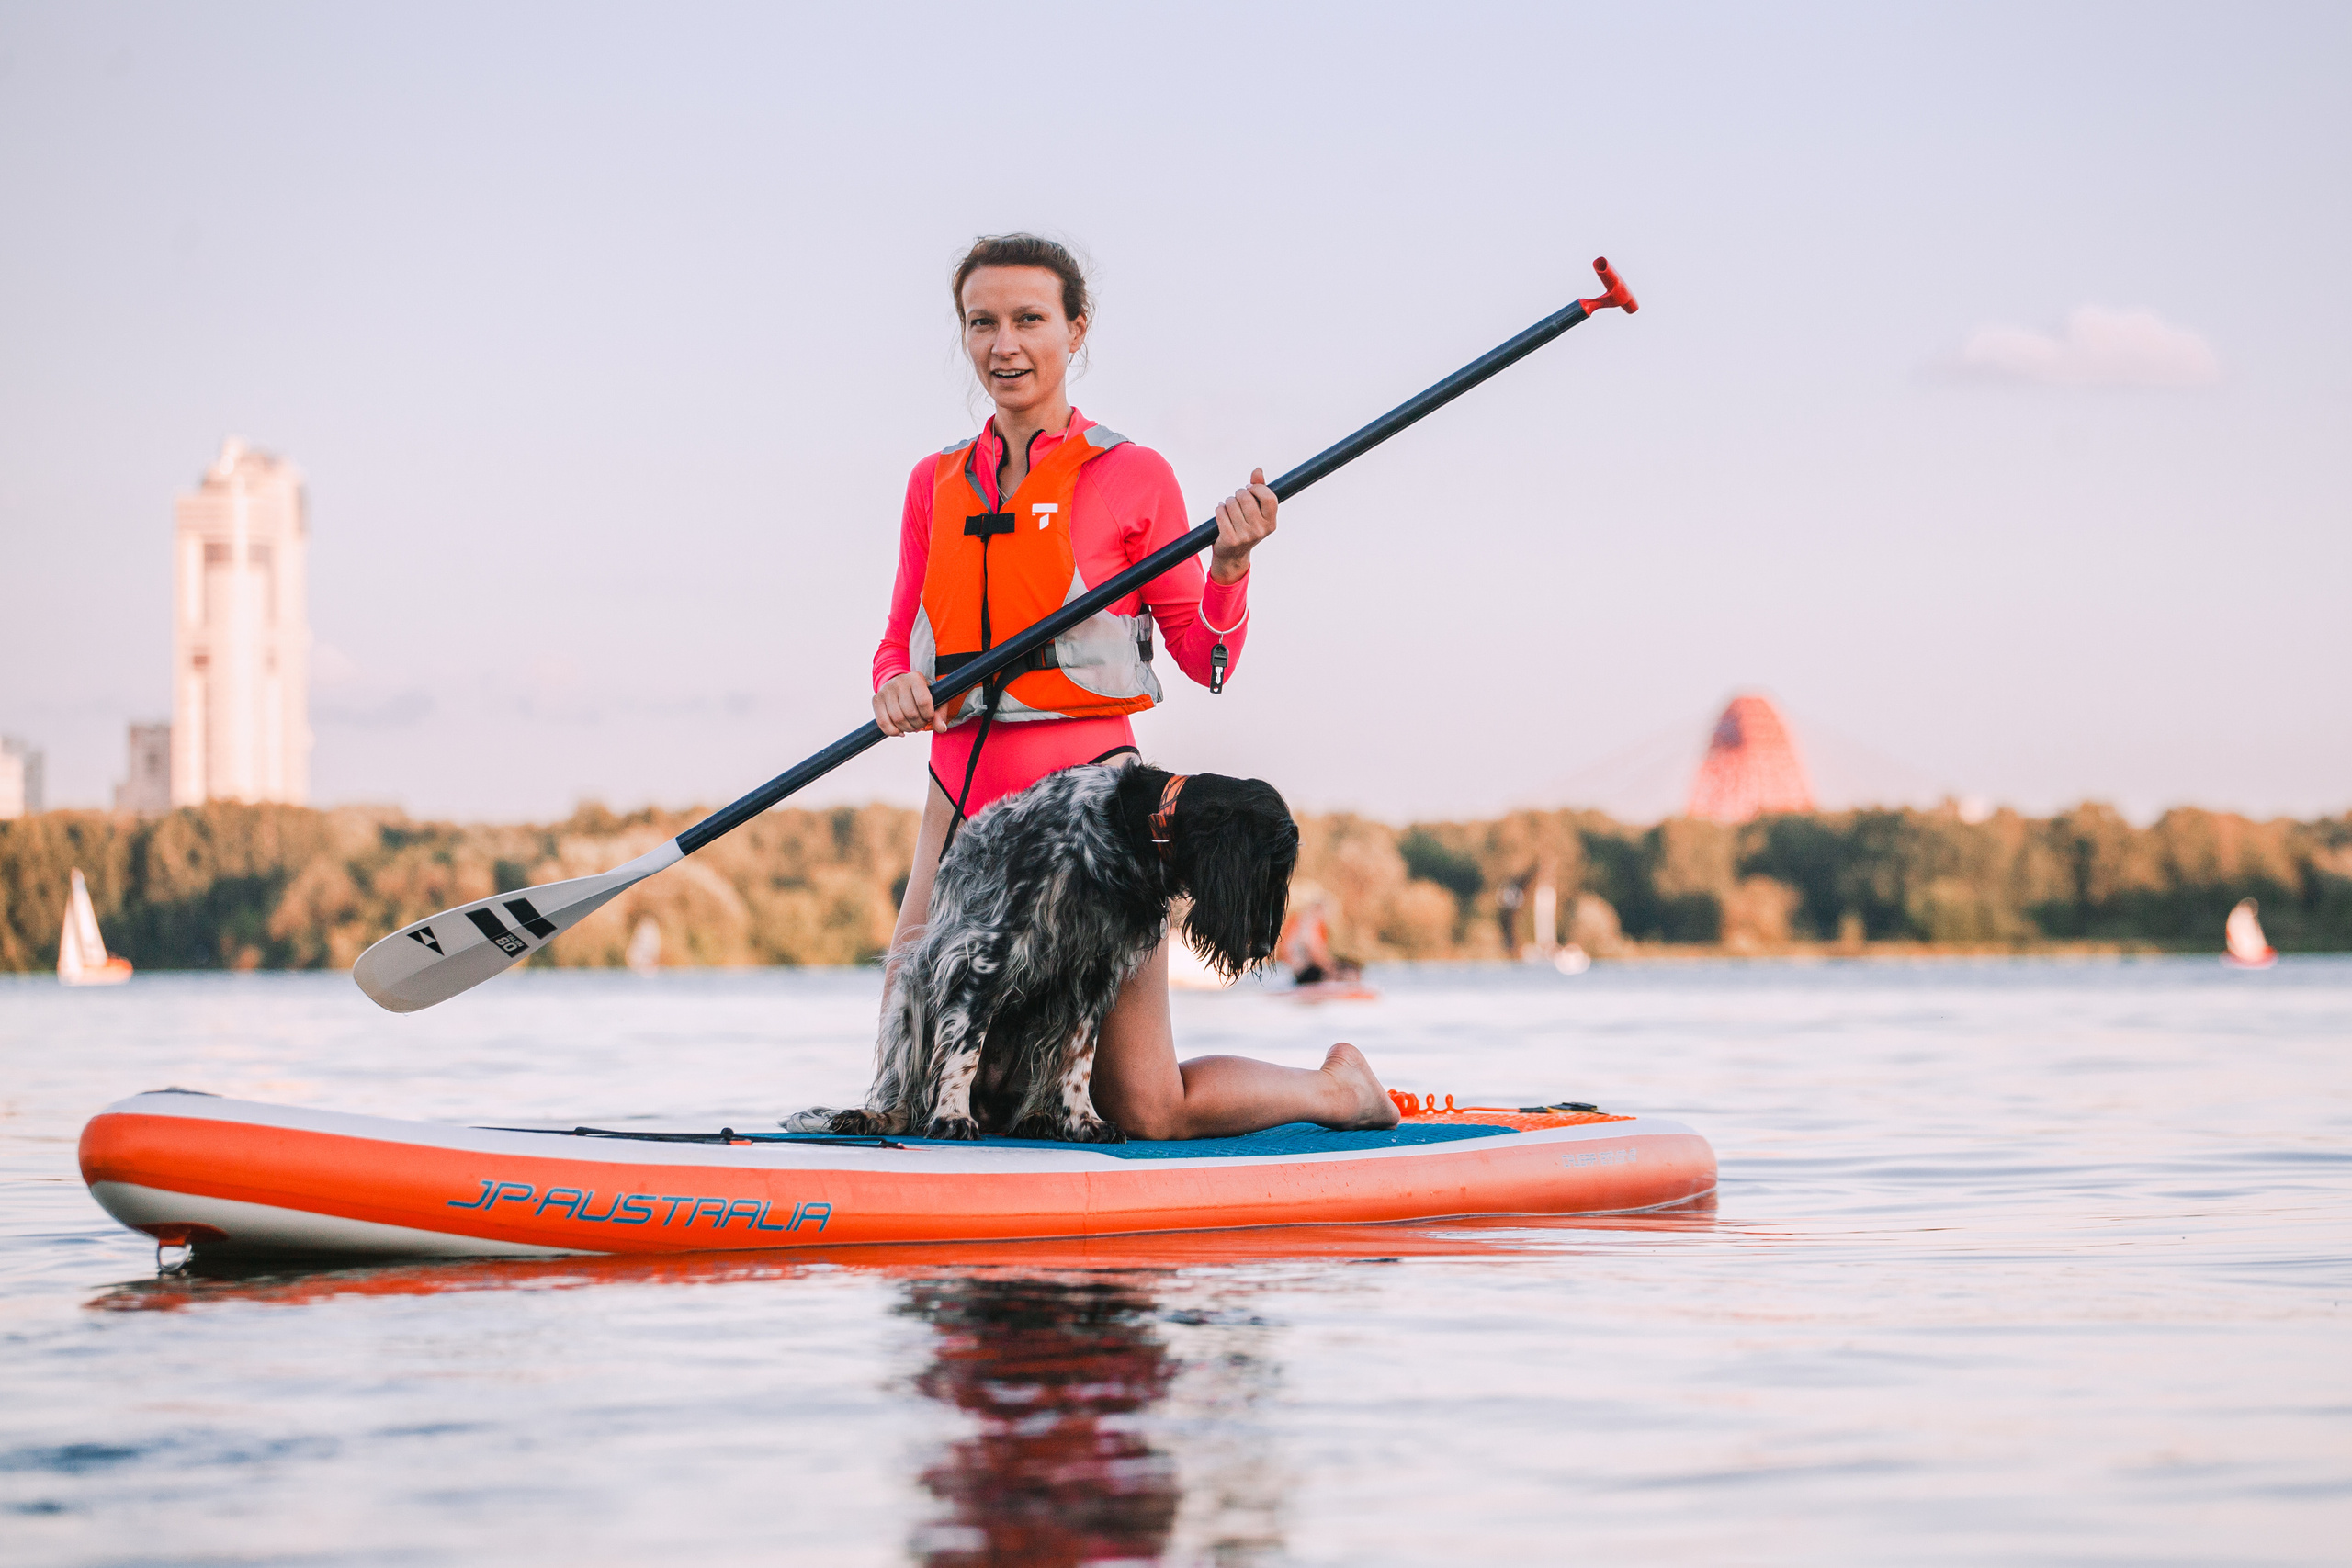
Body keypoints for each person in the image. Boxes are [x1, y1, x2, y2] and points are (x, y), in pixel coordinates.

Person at [869, 232, 1396, 1140]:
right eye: (982, 322)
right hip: (958, 793)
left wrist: (1229, 561)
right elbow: (895, 643)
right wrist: (893, 689)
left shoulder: (1132, 476)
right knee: (909, 1013)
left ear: (1075, 330)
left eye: (1029, 320)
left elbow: (1209, 660)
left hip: (1101, 817)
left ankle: (1338, 1089)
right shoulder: (934, 483)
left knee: (1145, 1107)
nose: (1005, 345)